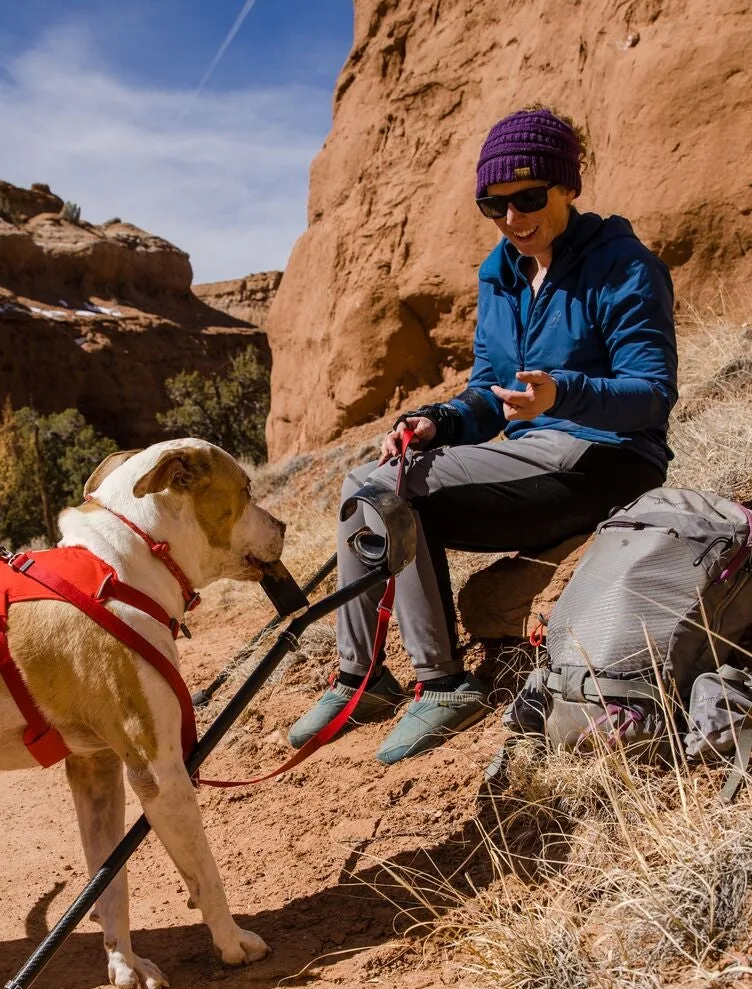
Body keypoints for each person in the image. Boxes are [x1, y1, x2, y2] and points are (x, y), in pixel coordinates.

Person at [288, 105, 678, 764]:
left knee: (391, 492)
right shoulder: (501, 274)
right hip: (534, 453)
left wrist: (564, 393)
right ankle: (360, 680)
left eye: (528, 199)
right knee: (373, 490)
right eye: (492, 206)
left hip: (611, 459)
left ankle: (442, 684)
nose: (512, 219)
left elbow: (652, 396)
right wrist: (437, 421)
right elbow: (488, 397)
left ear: (567, 188)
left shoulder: (623, 265)